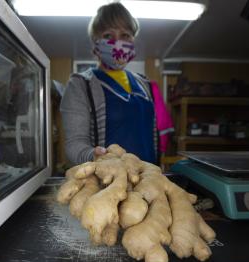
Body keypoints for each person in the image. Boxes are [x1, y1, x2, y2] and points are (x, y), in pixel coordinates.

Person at [60, 2, 172, 165]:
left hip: (148, 180)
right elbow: (74, 143)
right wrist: (93, 155)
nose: (117, 42)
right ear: (95, 44)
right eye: (108, 36)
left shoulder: (146, 85)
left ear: (133, 42)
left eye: (125, 35)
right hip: (107, 184)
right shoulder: (81, 85)